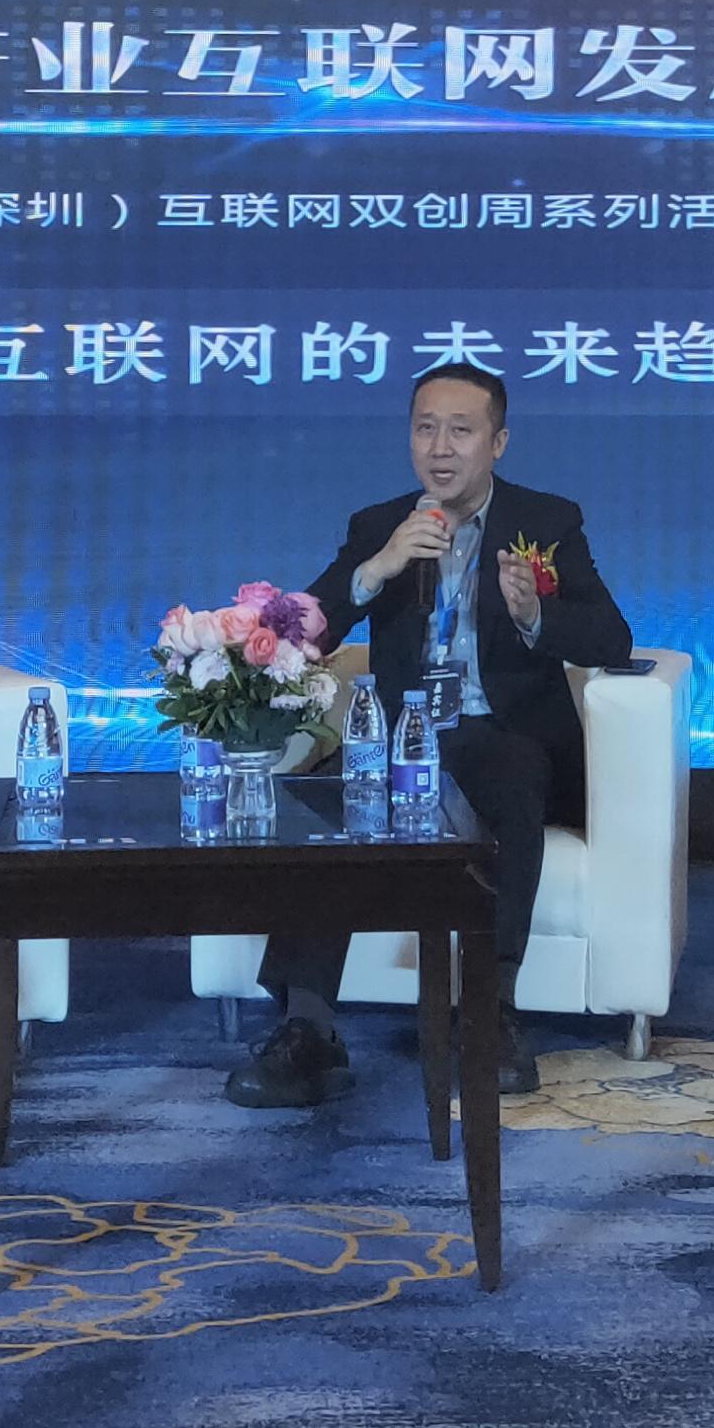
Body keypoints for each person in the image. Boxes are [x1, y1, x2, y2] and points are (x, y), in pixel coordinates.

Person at [229, 360, 634, 1111]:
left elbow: (611, 638)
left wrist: (533, 615)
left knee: (512, 774)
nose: (440, 448)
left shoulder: (547, 523)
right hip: (401, 737)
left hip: (501, 735)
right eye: (425, 429)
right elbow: (302, 630)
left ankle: (490, 1011)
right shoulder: (379, 524)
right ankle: (308, 1029)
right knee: (332, 807)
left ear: (497, 442)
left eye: (460, 431)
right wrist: (377, 568)